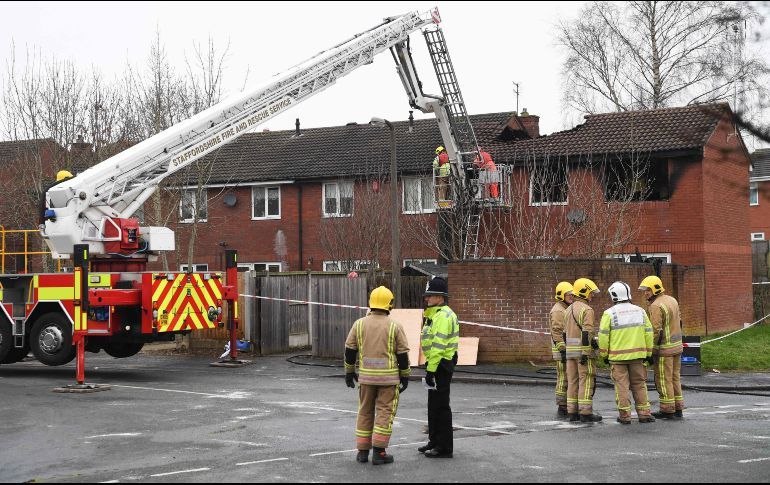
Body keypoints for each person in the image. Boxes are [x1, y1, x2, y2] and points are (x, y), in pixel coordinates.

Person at [344, 286, 411, 465]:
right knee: (385, 412)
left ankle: (362, 452)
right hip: (388, 379)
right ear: (390, 304)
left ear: (371, 303)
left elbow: (350, 350)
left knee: (364, 411)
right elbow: (402, 354)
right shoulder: (395, 326)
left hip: (366, 379)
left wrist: (349, 372)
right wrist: (405, 376)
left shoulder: (359, 324)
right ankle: (379, 453)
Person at [599, 281, 656, 424]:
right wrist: (648, 353)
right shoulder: (641, 311)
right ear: (628, 293)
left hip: (617, 358)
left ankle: (625, 416)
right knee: (639, 384)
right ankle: (644, 414)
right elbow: (649, 333)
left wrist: (604, 355)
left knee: (622, 386)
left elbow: (603, 336)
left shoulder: (608, 314)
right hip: (638, 356)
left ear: (613, 296)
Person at [418, 276, 459, 458]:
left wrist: (431, 370)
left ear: (440, 297)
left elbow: (438, 346)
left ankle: (443, 447)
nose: (427, 299)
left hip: (440, 364)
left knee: (441, 407)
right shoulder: (435, 314)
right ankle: (434, 441)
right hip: (437, 363)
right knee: (433, 405)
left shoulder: (442, 316)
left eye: (430, 295)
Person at [639, 275, 685, 420]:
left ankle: (667, 409)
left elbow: (655, 331)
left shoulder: (656, 306)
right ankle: (678, 408)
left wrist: (652, 350)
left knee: (664, 380)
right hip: (677, 347)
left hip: (664, 350)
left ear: (655, 289)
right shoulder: (672, 300)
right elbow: (680, 321)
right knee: (675, 378)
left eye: (647, 290)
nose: (645, 293)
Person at [564, 277, 603, 423]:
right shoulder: (587, 310)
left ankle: (572, 412)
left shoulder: (568, 309)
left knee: (572, 381)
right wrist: (587, 352)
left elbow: (563, 333)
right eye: (591, 293)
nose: (592, 295)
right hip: (582, 352)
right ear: (584, 291)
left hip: (570, 352)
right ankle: (585, 413)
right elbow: (587, 333)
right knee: (586, 381)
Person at [550, 281, 574, 418]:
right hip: (562, 352)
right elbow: (557, 332)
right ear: (561, 295)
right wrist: (563, 350)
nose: (571, 296)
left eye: (572, 294)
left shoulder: (565, 307)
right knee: (563, 378)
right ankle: (562, 405)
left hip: (566, 350)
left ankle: (565, 404)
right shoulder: (559, 310)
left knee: (567, 377)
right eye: (568, 294)